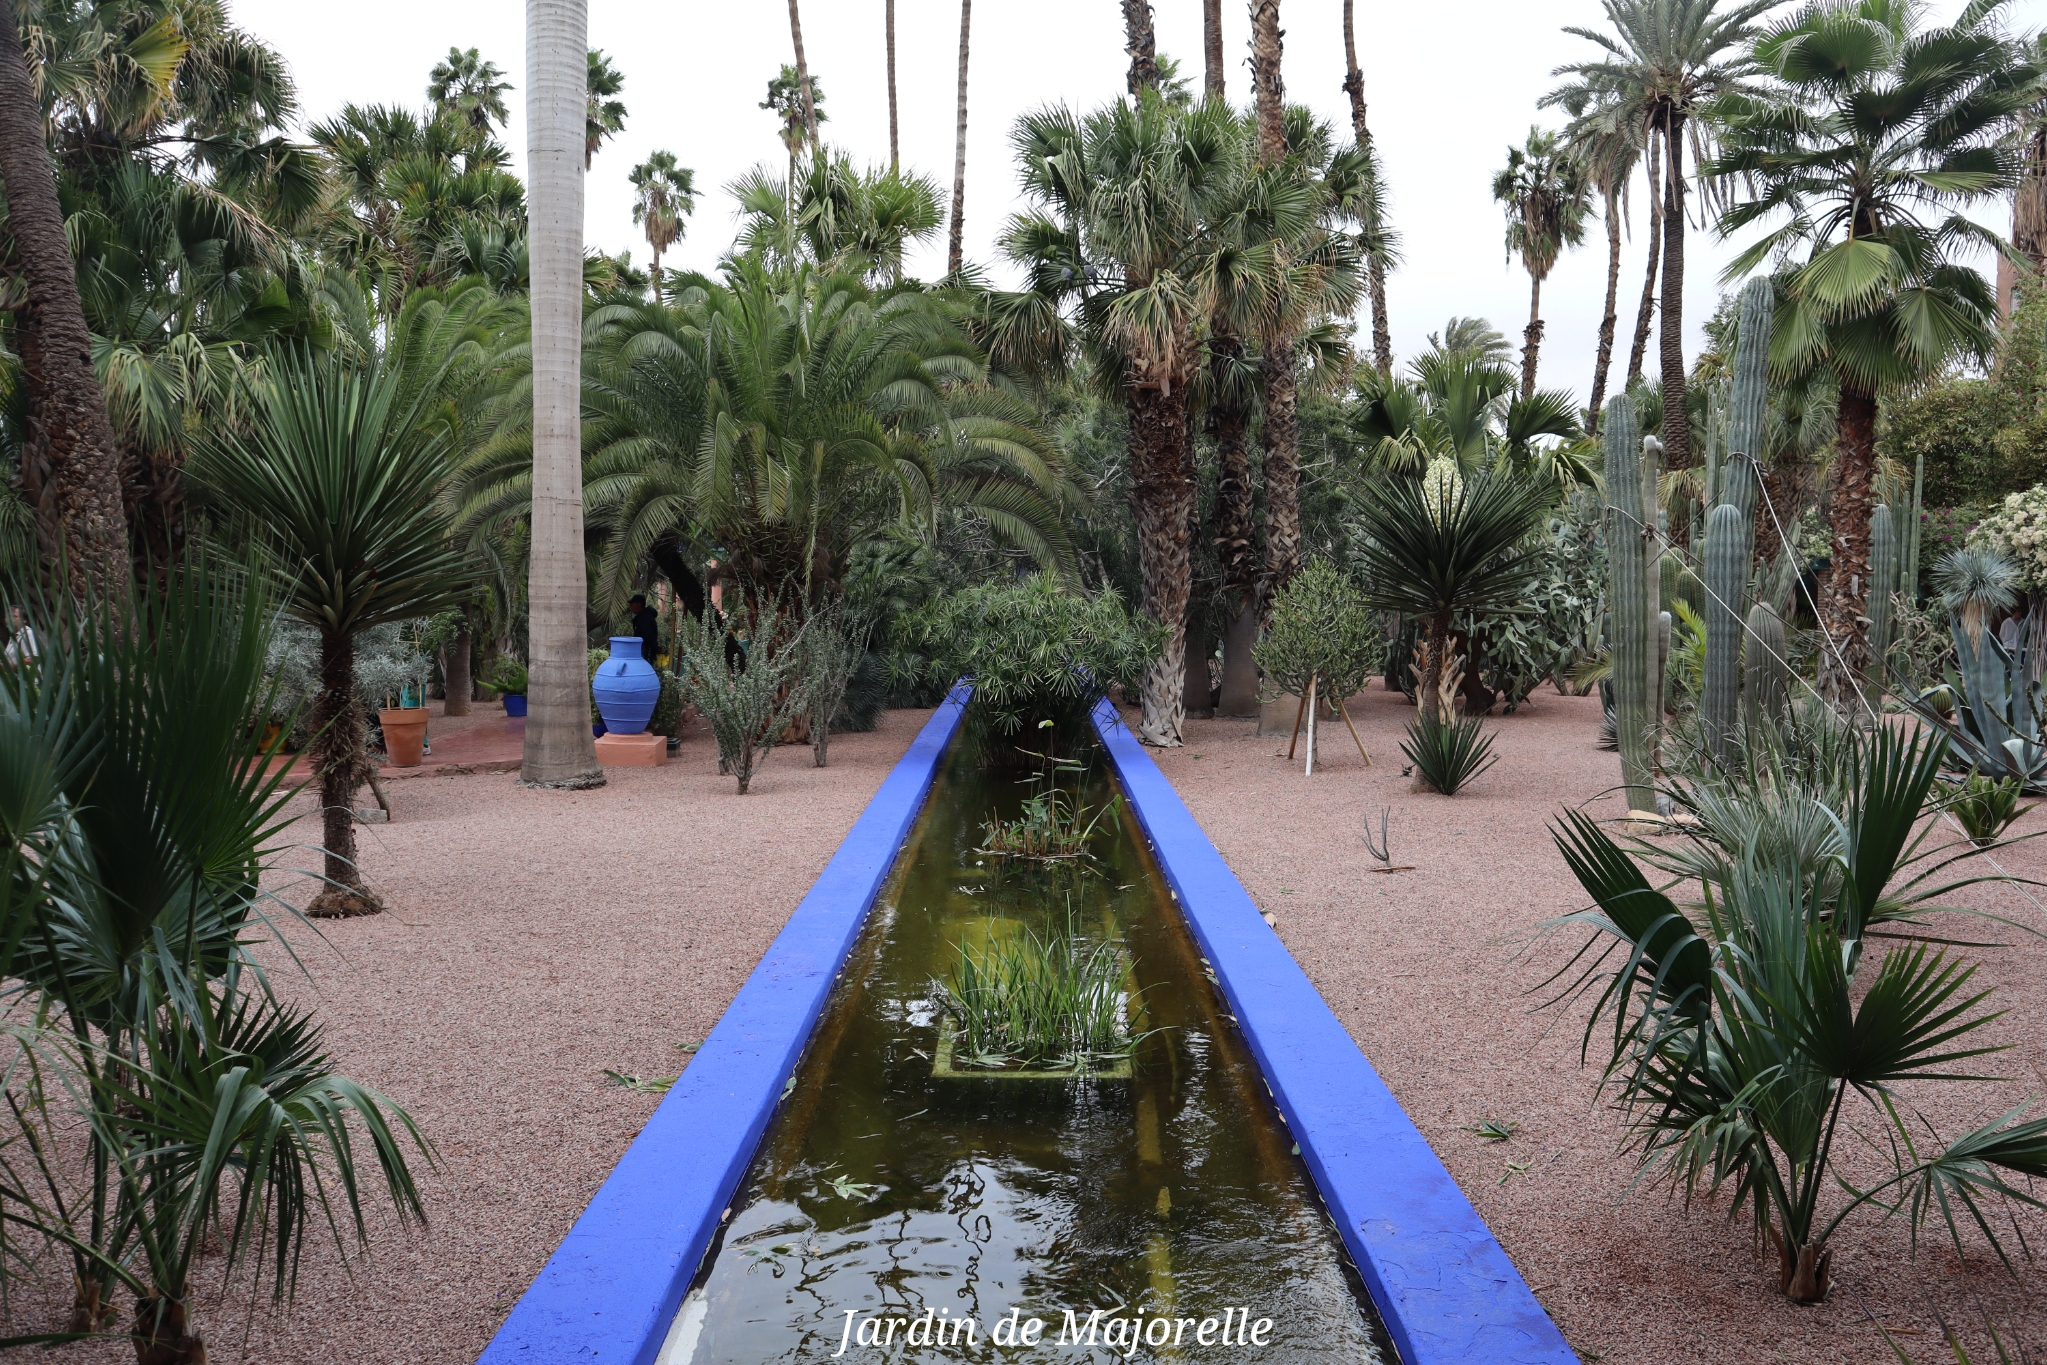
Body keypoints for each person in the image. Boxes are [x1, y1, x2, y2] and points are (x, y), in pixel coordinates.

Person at [629, 592, 660, 661]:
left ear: (638, 604)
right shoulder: (643, 617)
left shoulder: (644, 618)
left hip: (645, 653)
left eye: (632, 604)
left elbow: (646, 637)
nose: (630, 606)